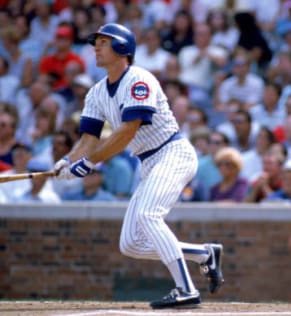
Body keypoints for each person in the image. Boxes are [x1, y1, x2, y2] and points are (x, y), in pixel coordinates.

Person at [53, 23, 224, 309]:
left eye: (103, 42)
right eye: (96, 42)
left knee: (148, 214)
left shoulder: (139, 79)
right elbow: (88, 139)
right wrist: (68, 161)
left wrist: (89, 162)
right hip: (148, 162)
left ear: (122, 47)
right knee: (131, 244)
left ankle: (186, 289)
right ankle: (204, 254)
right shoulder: (95, 92)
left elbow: (127, 131)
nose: (96, 46)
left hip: (173, 153)